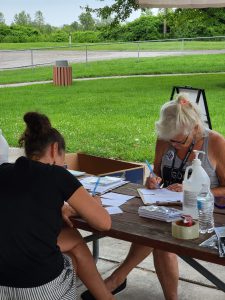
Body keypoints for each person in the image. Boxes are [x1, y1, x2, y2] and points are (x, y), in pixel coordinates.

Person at [85, 93, 225, 300]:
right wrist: (152, 181)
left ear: (195, 129)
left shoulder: (215, 142)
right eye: (170, 140)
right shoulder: (166, 139)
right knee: (150, 228)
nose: (173, 145)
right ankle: (118, 280)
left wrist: (195, 191)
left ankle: (117, 279)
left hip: (206, 211)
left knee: (159, 239)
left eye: (179, 141)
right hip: (165, 204)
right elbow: (157, 172)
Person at [0, 112, 115, 300]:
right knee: (73, 246)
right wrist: (93, 205)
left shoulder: (4, 171)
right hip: (38, 287)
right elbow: (104, 223)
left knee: (71, 242)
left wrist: (63, 208)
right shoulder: (57, 175)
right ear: (54, 149)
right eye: (64, 162)